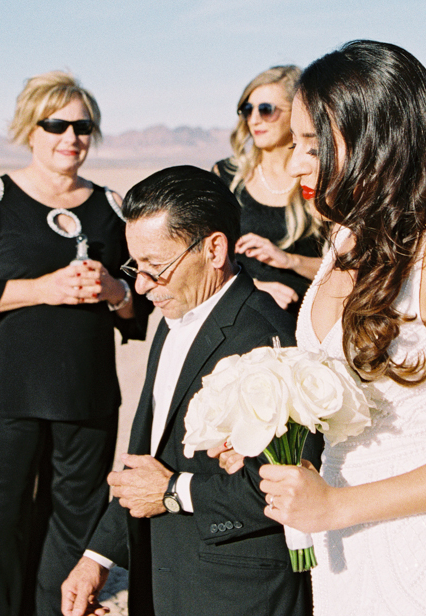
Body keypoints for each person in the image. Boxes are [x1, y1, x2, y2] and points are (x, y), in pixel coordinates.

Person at [236, 40, 426, 616]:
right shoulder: (342, 239)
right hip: (343, 553)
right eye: (295, 144)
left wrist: (336, 507)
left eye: (313, 146)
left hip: (422, 556)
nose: (296, 163)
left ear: (379, 140)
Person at [61, 166, 316, 616]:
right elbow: (147, 462)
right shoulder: (174, 316)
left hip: (235, 593)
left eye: (155, 268)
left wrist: (175, 491)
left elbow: (284, 486)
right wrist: (98, 556)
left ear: (214, 249)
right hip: (164, 580)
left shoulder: (266, 338)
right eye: (135, 267)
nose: (141, 285)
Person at [0, 72, 149, 616]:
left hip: (84, 397)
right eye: (57, 124)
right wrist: (41, 288)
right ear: (30, 128)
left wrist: (116, 290)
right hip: (1, 396)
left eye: (82, 126)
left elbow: (140, 307)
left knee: (75, 521)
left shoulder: (111, 207)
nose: (71, 136)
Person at [213, 65, 321, 314]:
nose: (254, 119)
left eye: (267, 110)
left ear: (298, 113)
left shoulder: (318, 177)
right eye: (248, 110)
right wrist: (253, 289)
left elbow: (346, 271)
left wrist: (290, 261)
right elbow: (203, 256)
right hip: (241, 319)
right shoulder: (227, 177)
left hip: (304, 325)